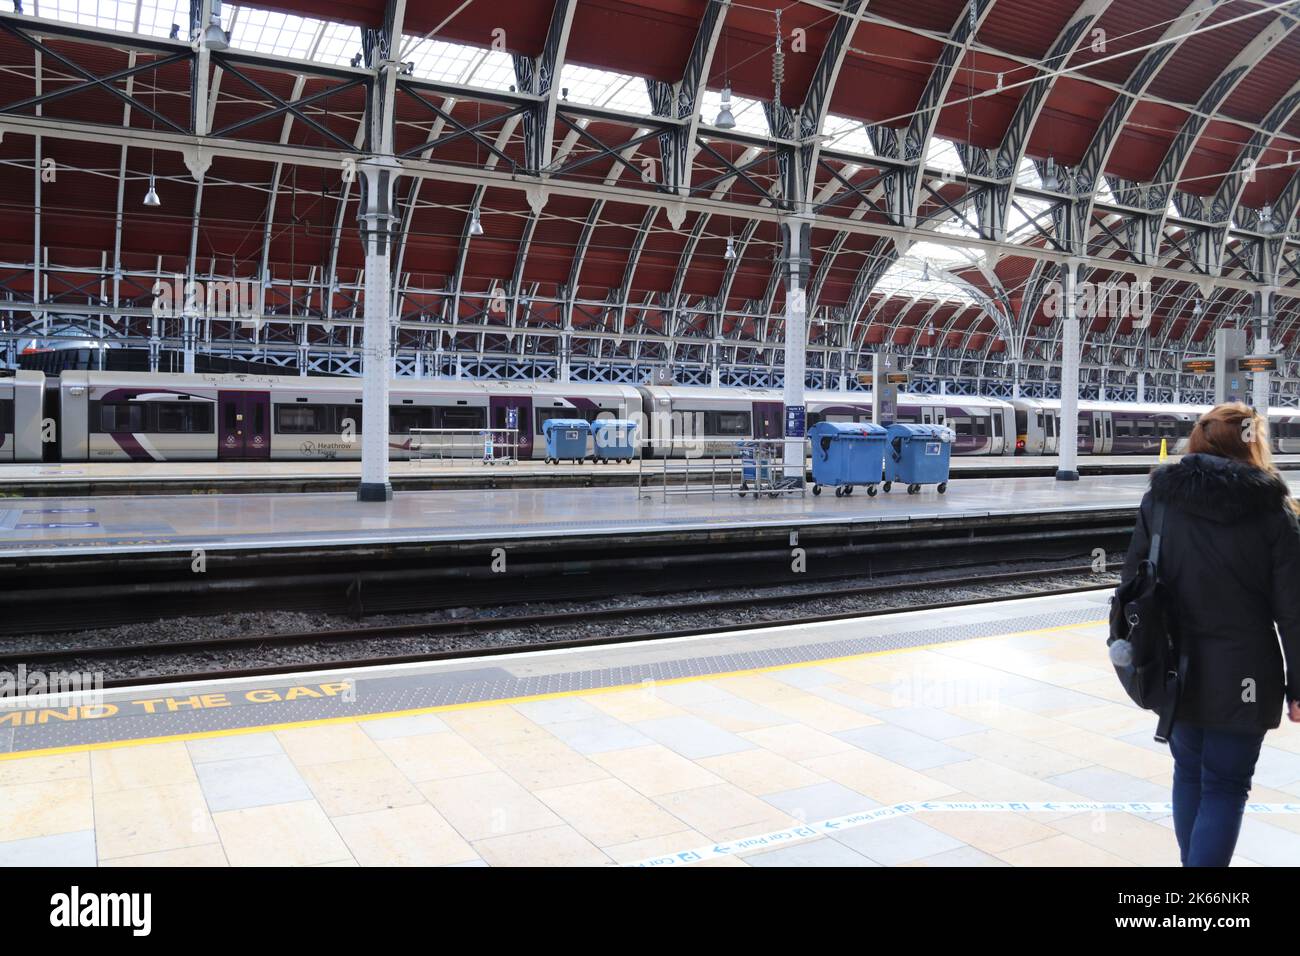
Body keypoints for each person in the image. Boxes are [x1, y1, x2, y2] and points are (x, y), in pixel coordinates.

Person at [1121, 402, 1300, 866]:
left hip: (1172, 665)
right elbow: (1293, 612)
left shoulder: (1159, 501)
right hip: (1245, 673)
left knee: (1189, 775)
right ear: (1251, 442)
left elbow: (1130, 585)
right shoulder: (1275, 512)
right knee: (1225, 784)